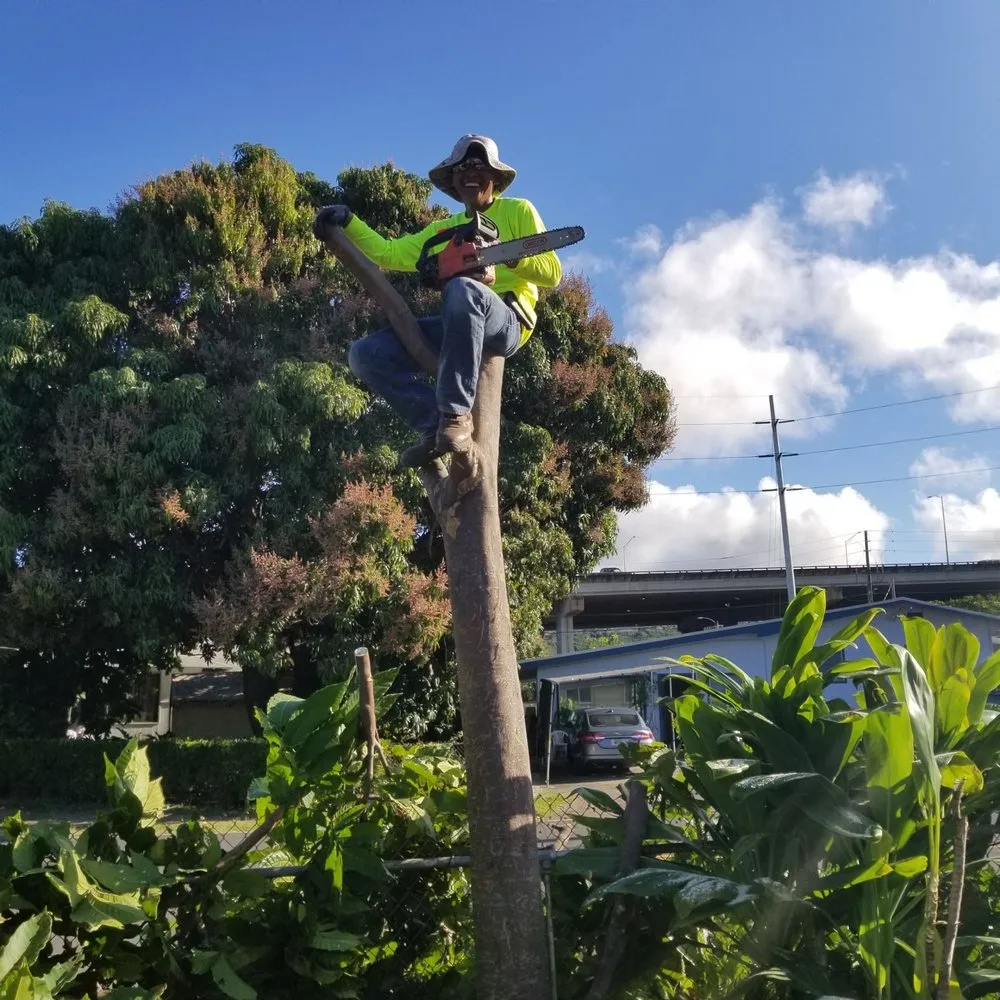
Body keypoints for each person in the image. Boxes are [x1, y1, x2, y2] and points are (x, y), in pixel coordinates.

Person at [313, 134, 562, 468]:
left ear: (495, 177)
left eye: (479, 166)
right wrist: (349, 222)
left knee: (463, 290)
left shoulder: (518, 210)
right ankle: (435, 425)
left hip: (508, 320)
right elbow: (389, 253)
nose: (471, 172)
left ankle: (456, 415)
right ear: (454, 181)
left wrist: (509, 255)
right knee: (365, 355)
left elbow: (552, 273)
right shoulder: (446, 228)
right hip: (459, 322)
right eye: (463, 168)